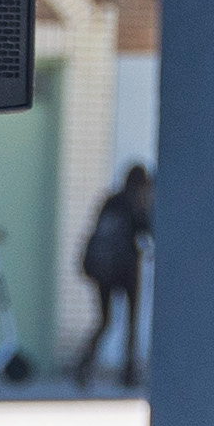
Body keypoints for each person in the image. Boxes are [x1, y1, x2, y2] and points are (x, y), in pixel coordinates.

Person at [70, 161, 151, 388]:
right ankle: (128, 374)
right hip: (127, 270)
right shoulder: (135, 204)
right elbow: (145, 231)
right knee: (131, 323)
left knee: (104, 320)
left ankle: (83, 364)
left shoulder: (110, 201)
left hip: (104, 270)